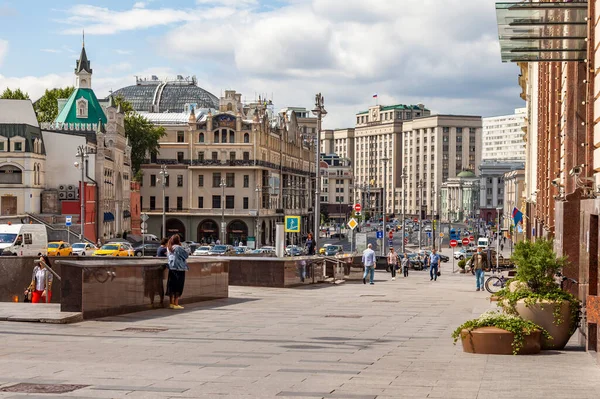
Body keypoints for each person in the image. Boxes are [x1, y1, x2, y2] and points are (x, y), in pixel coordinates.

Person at [166, 234, 189, 309]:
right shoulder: (178, 248)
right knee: (178, 286)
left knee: (171, 286)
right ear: (178, 240)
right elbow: (186, 255)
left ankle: (171, 303)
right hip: (179, 269)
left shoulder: (169, 248)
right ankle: (176, 303)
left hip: (171, 268)